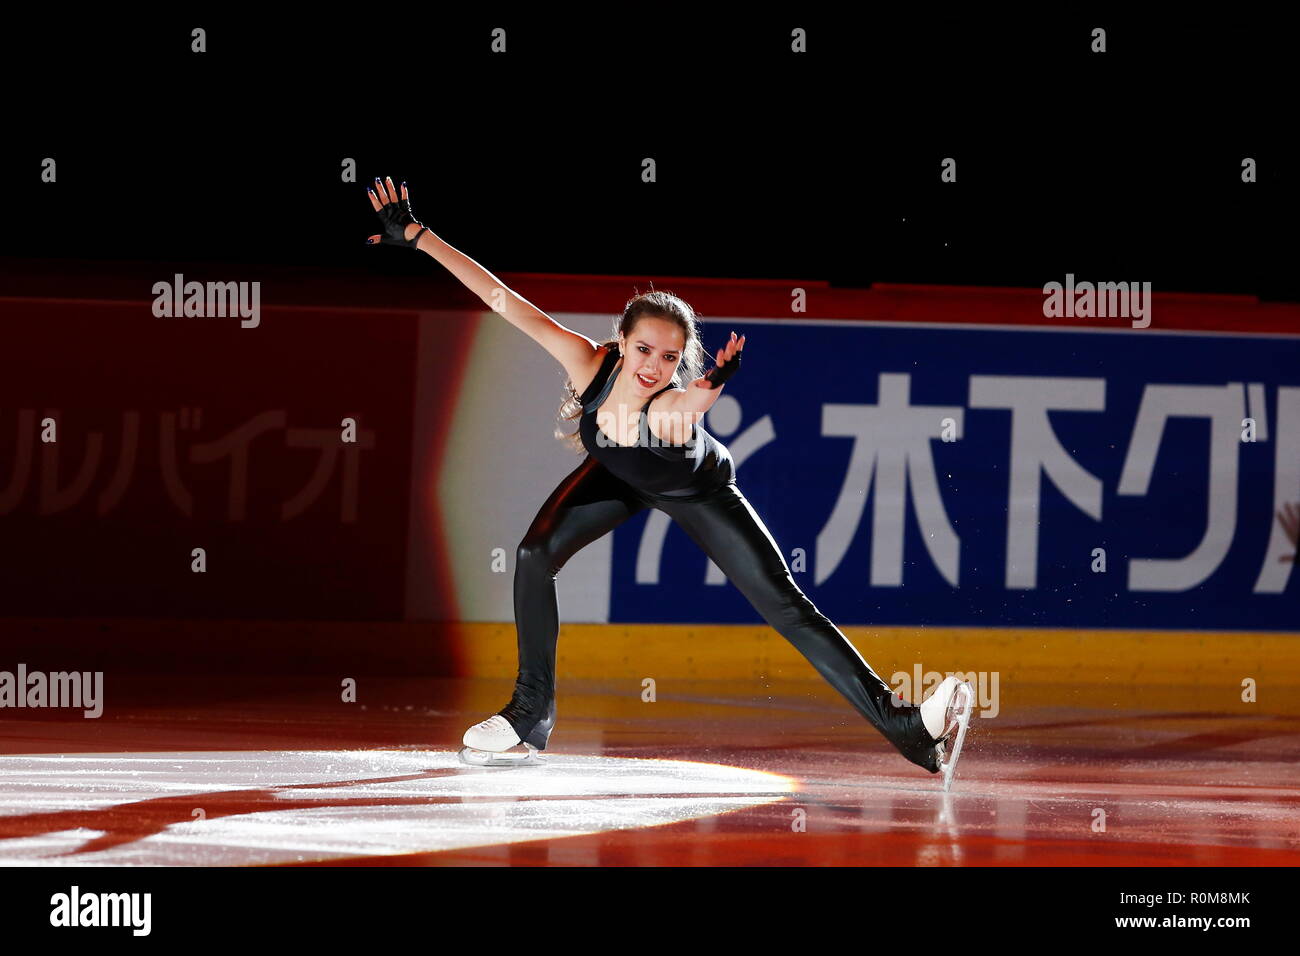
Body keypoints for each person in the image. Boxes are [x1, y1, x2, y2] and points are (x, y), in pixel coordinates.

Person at [366, 176, 974, 785]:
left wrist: (713, 384)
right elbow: (499, 297)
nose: (654, 366)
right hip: (618, 475)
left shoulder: (671, 407)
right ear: (622, 343)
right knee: (533, 554)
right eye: (644, 351)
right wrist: (421, 238)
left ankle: (909, 728)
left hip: (699, 492)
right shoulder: (585, 361)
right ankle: (531, 712)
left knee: (786, 607)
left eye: (668, 357)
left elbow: (690, 406)